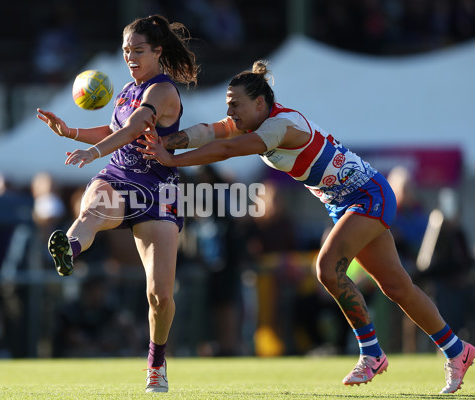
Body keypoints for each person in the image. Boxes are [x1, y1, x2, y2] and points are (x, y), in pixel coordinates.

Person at [138, 60, 475, 394]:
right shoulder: (256, 120)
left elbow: (225, 149)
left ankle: (371, 351)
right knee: (397, 287)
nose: (231, 113)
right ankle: (458, 351)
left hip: (368, 194)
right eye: (229, 106)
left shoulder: (278, 126)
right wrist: (167, 143)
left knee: (327, 269)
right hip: (344, 202)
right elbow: (209, 132)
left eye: (235, 105)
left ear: (259, 103)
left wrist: (172, 160)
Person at [36, 14, 199, 393]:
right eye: (126, 51)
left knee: (159, 296)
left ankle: (156, 366)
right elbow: (114, 130)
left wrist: (91, 151)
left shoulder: (162, 91)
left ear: (158, 52)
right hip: (119, 176)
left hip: (159, 189)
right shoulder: (127, 89)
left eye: (138, 50)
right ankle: (69, 249)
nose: (130, 57)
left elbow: (132, 130)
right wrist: (71, 131)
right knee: (92, 210)